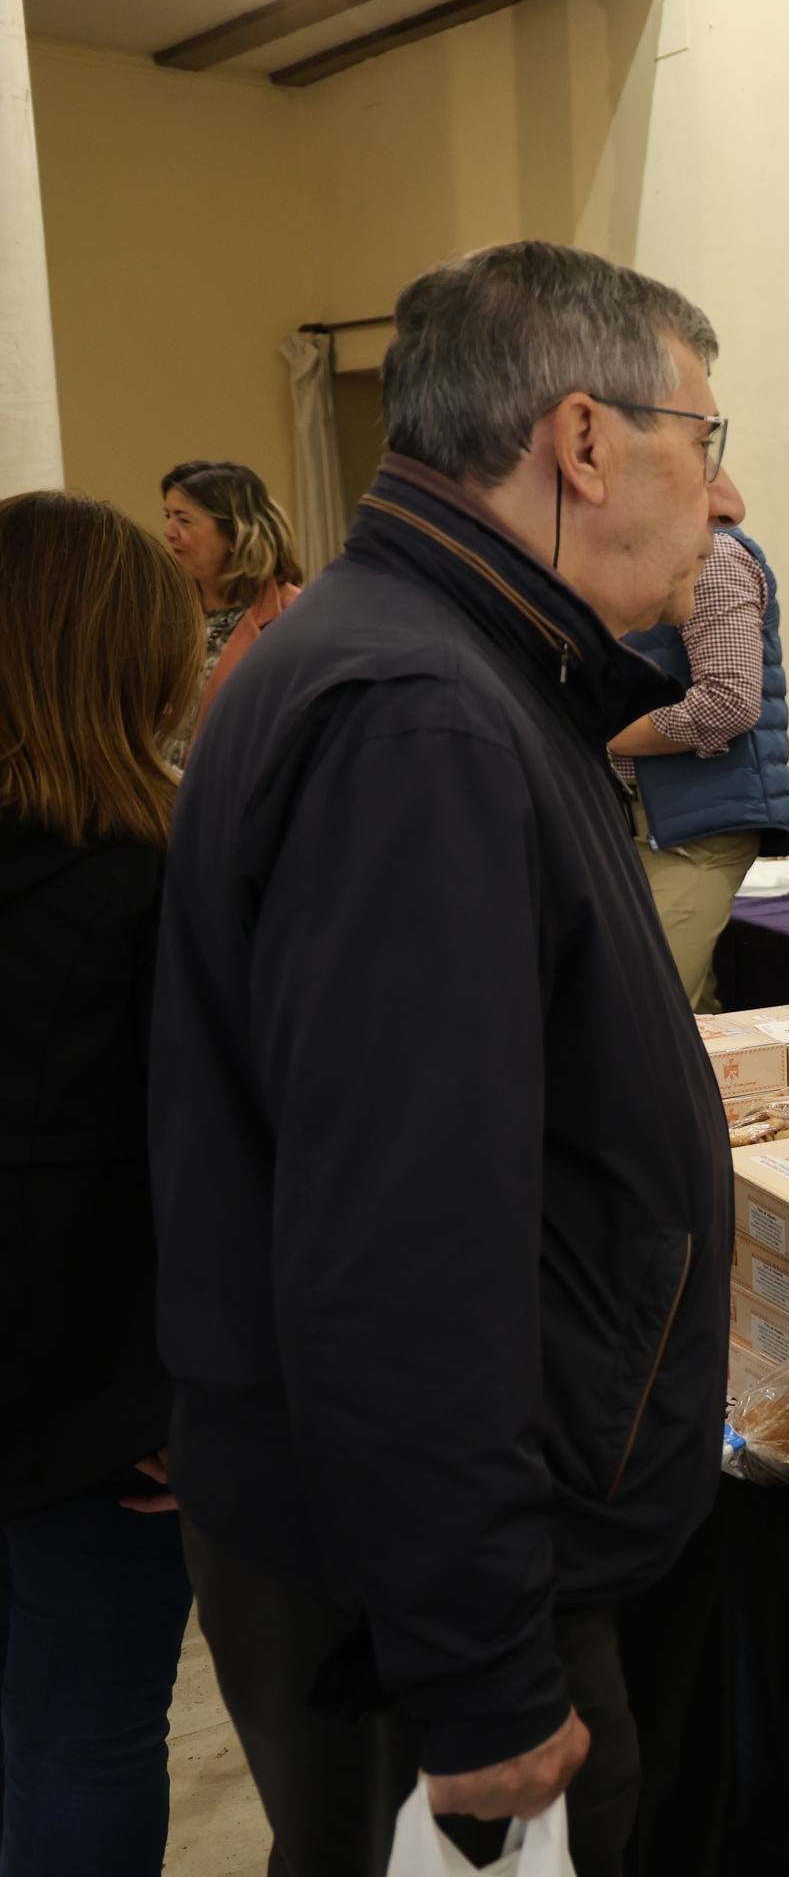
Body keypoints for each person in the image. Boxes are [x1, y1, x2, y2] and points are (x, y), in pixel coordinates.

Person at [149, 240, 742, 1876]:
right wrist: (480, 1669)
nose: (727, 490)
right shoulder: (420, 718)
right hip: (433, 1594)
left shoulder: (434, 667)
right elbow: (401, 1249)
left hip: (411, 1552)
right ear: (583, 441)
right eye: (704, 436)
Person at [0, 492, 204, 1876]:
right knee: (88, 1733)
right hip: (105, 1407)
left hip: (70, 1387)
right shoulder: (155, 876)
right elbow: (200, 1168)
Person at [612, 527, 789, 1010]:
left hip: (696, 828)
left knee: (648, 1007)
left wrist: (604, 734)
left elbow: (728, 702)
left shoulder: (711, 558)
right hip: (640, 819)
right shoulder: (629, 556)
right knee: (686, 1012)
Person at [156, 459, 304, 766]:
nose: (168, 532)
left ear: (236, 534)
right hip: (158, 788)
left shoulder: (294, 618)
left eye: (184, 520)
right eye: (168, 516)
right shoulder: (164, 613)